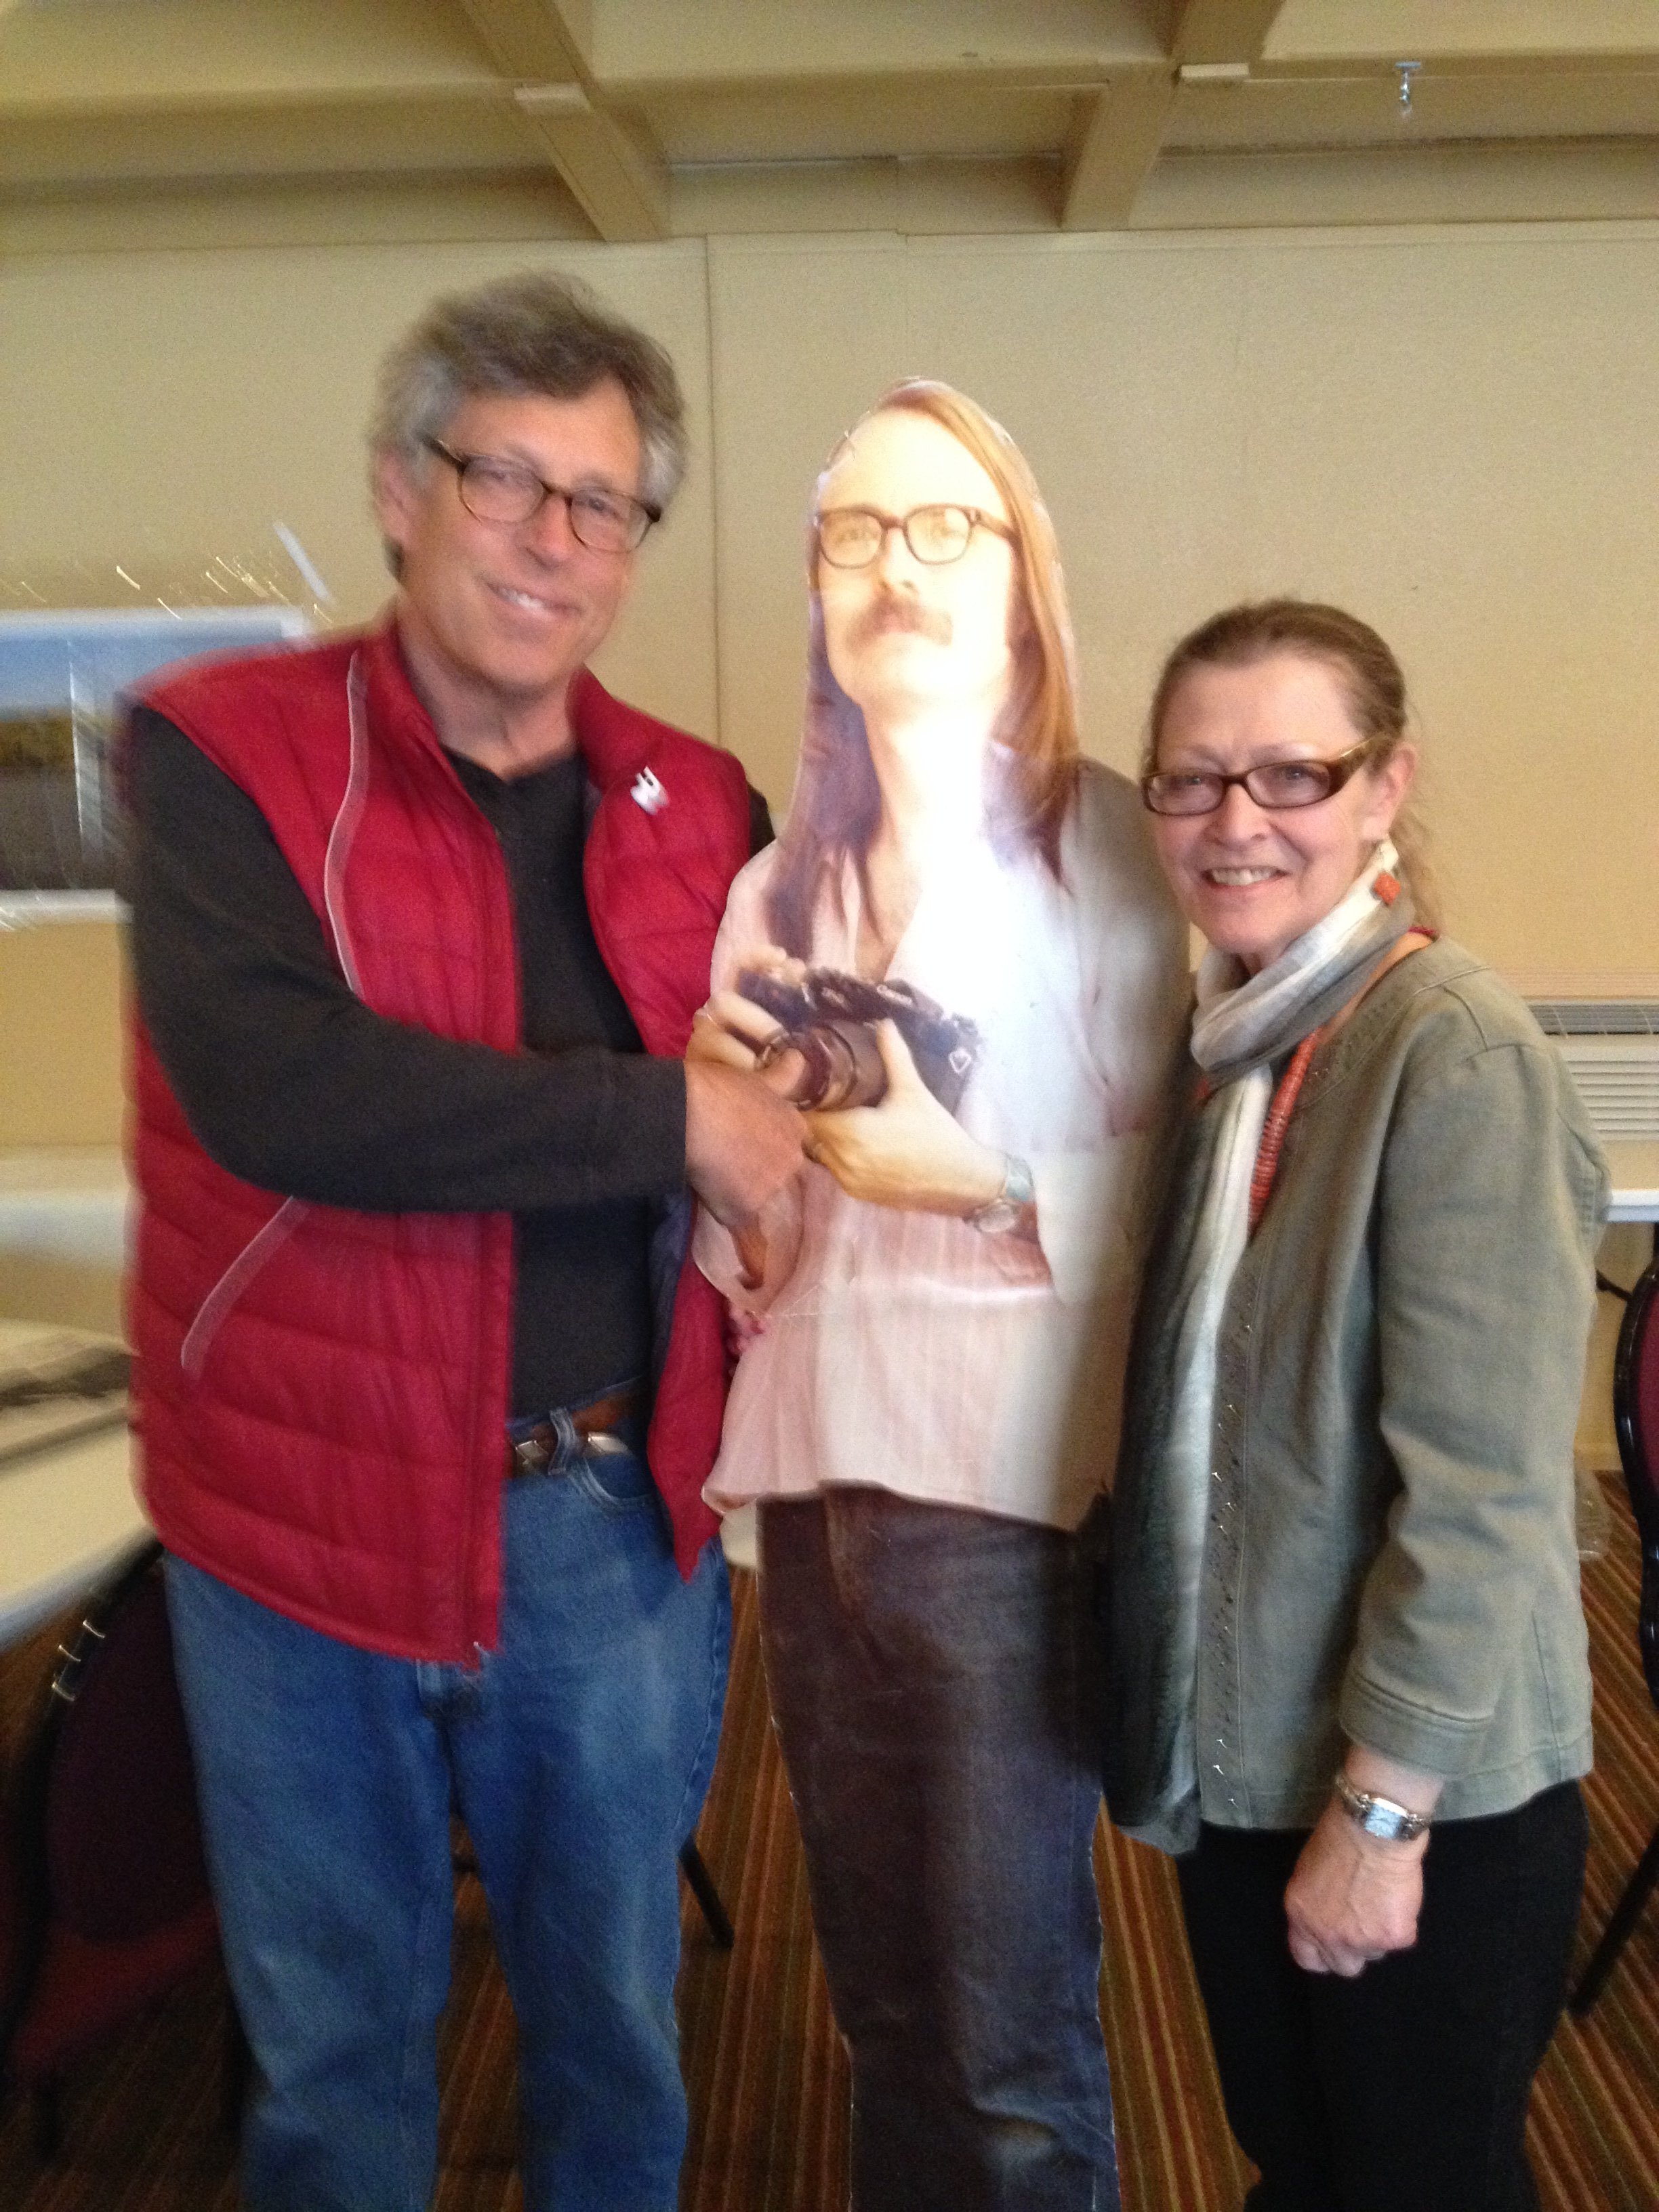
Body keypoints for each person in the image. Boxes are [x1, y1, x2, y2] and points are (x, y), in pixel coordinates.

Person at [123, 270, 803, 2212]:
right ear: (398, 489)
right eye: (504, 477)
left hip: (606, 1526)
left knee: (614, 2032)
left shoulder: (701, 802)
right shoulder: (219, 752)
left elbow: (782, 1101)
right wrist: (670, 1117)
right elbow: (290, 1092)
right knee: (335, 2057)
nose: (552, 538)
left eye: (603, 502)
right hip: (295, 1531)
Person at [689, 380, 1189, 2211]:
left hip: (1008, 1502)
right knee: (883, 2005)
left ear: (1021, 581)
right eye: (854, 533)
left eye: (943, 526)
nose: (894, 568)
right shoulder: (777, 887)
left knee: (1002, 2044)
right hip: (820, 1492)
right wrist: (729, 1158)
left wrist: (972, 1176)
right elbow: (762, 1269)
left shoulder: (1112, 852)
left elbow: (1194, 1207)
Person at [1105, 599, 1606, 2212]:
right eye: (1192, 779)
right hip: (1251, 1755)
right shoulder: (1233, 1048)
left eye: (1291, 774)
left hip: (1420, 1792)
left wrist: (1380, 1820)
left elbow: (1484, 1500)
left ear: (1387, 785)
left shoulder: (1451, 1054)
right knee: (1307, 2170)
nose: (1235, 821)